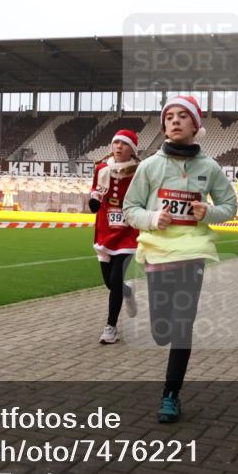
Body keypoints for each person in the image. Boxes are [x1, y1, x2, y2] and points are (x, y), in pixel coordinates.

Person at [123, 95, 236, 423]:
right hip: (158, 252)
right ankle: (152, 316)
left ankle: (170, 395)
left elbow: (230, 206)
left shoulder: (209, 167)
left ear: (195, 125)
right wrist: (153, 219)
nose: (174, 121)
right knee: (162, 330)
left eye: (182, 116)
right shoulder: (149, 167)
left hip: (193, 252)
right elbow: (131, 209)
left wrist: (208, 212)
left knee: (183, 324)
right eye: (169, 116)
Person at [88, 129, 141, 345]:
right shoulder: (101, 168)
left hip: (129, 230)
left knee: (116, 278)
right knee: (110, 282)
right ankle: (127, 291)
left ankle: (111, 327)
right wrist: (94, 200)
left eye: (124, 143)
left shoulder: (139, 171)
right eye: (116, 142)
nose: (118, 146)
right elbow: (95, 190)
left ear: (133, 149)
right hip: (106, 227)